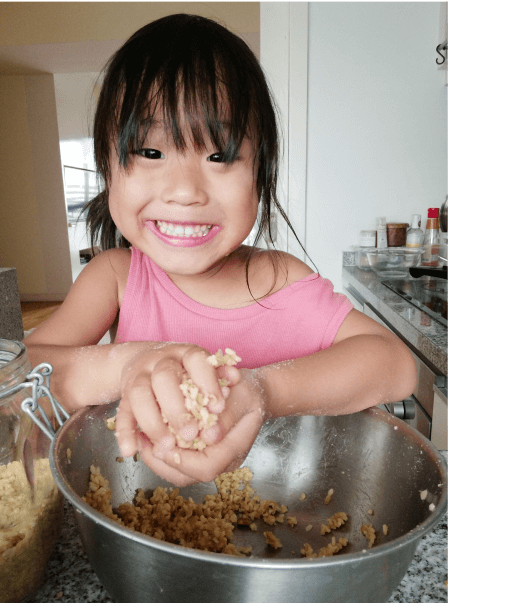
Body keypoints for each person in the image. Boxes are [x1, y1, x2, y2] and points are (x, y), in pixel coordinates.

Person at [24, 14, 417, 487]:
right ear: (108, 167)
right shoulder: (116, 277)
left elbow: (394, 365)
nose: (185, 191)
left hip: (281, 505)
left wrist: (262, 390)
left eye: (219, 156)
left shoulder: (279, 281)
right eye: (151, 152)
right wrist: (129, 363)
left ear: (261, 173)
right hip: (137, 504)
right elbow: (16, 377)